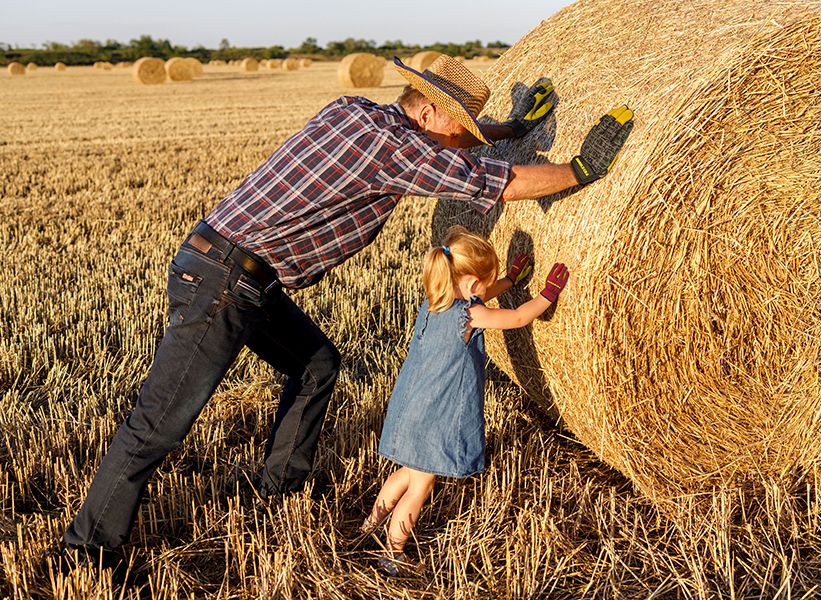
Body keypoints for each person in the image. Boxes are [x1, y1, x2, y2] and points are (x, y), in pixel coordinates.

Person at [61, 53, 632, 568]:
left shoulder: (356, 111)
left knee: (317, 366)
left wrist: (509, 129)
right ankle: (87, 549)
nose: (461, 143)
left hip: (239, 273)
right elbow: (490, 181)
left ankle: (279, 490)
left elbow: (452, 150)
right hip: (224, 283)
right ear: (429, 114)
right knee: (159, 423)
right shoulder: (394, 149)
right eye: (460, 130)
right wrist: (581, 171)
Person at [360, 225, 569, 575]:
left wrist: (509, 281)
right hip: (434, 416)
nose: (486, 290)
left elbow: (480, 295)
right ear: (472, 284)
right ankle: (391, 552)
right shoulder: (470, 315)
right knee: (420, 487)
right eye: (485, 284)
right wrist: (547, 296)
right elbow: (518, 317)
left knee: (406, 473)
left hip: (411, 407)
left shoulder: (434, 301)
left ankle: (369, 525)